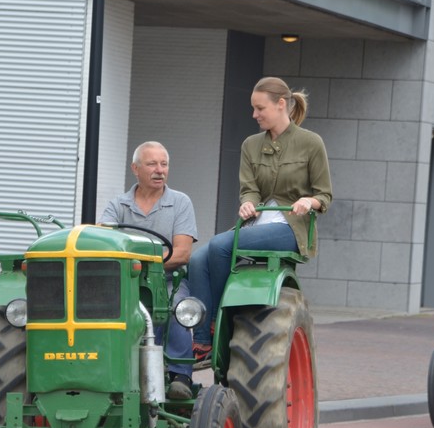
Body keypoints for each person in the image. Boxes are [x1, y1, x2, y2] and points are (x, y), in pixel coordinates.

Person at [188, 77, 332, 367]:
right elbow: (249, 189)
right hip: (258, 222)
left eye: (260, 108)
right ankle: (201, 341)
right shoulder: (251, 145)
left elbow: (324, 195)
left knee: (219, 246)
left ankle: (217, 321)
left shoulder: (311, 142)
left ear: (281, 105)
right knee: (196, 260)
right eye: (253, 108)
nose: (254, 114)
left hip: (290, 227)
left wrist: (309, 201)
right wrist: (248, 202)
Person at [100, 141, 198, 400]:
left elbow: (182, 253)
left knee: (176, 306)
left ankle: (180, 375)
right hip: (125, 281)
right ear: (135, 168)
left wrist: (140, 265)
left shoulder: (180, 202)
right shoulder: (118, 205)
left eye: (164, 164)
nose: (160, 170)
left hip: (167, 279)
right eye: (152, 164)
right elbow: (103, 244)